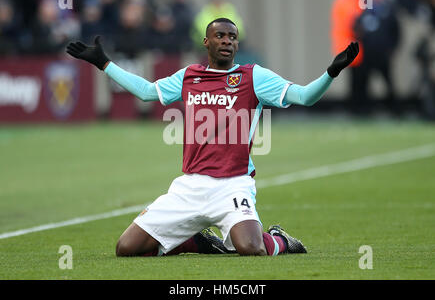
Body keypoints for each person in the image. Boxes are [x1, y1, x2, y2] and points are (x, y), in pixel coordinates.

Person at [66, 18, 359, 257]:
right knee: (126, 248)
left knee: (252, 248)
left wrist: (331, 72)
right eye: (220, 36)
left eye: (232, 37)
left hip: (232, 185)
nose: (227, 41)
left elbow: (305, 97)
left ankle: (280, 239)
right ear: (207, 42)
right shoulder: (189, 76)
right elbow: (146, 92)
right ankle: (193, 241)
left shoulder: (252, 77)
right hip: (190, 186)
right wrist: (104, 63)